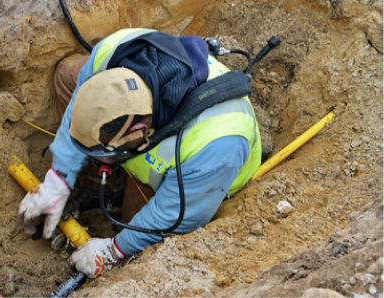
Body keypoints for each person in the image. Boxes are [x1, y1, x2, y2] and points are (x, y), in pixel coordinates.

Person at [18, 28, 262, 279]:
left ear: (139, 133)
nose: (98, 157)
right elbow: (81, 106)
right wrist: (59, 178)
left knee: (138, 241)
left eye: (105, 153)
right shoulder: (114, 50)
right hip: (152, 144)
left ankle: (118, 194)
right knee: (69, 74)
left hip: (191, 184)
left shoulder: (217, 142)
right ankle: (97, 184)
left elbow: (171, 218)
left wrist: (113, 250)